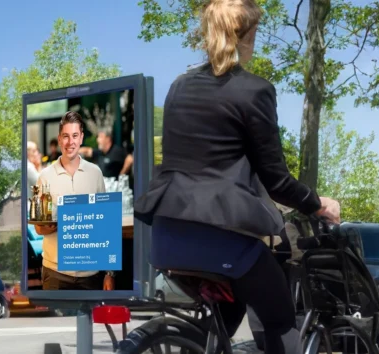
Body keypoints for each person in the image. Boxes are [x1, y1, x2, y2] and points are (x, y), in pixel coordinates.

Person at [133, 1, 341, 353]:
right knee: (278, 317)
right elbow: (276, 181)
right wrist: (318, 203)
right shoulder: (254, 90)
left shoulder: (179, 87)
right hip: (217, 241)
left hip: (167, 238)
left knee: (225, 314)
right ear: (250, 34)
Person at [34, 111, 116, 291]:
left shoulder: (95, 173)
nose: (70, 142)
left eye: (75, 136)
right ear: (59, 138)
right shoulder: (44, 177)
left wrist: (109, 273)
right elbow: (39, 227)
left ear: (81, 138)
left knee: (89, 320)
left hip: (91, 274)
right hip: (55, 273)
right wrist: (61, 223)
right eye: (65, 136)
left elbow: (106, 225)